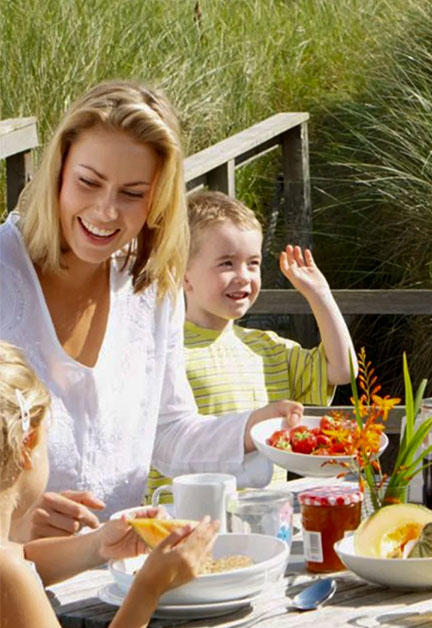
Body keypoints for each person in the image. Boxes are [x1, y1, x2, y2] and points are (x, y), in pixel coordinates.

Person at [0, 81, 302, 540]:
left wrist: (250, 430)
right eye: (89, 182)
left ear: (158, 199)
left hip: (120, 580)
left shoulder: (151, 284)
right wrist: (11, 512)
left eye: (133, 193)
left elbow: (168, 432)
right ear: (58, 171)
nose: (106, 211)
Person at [144, 190, 354, 499]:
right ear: (185, 276)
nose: (244, 276)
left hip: (267, 518)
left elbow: (342, 369)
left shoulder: (268, 348)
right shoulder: (166, 351)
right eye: (227, 263)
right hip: (185, 518)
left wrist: (319, 293)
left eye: (253, 263)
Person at [0, 340, 220, 628]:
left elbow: (22, 556)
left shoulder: (9, 563)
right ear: (28, 444)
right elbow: (14, 568)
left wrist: (98, 544)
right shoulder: (9, 578)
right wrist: (148, 589)